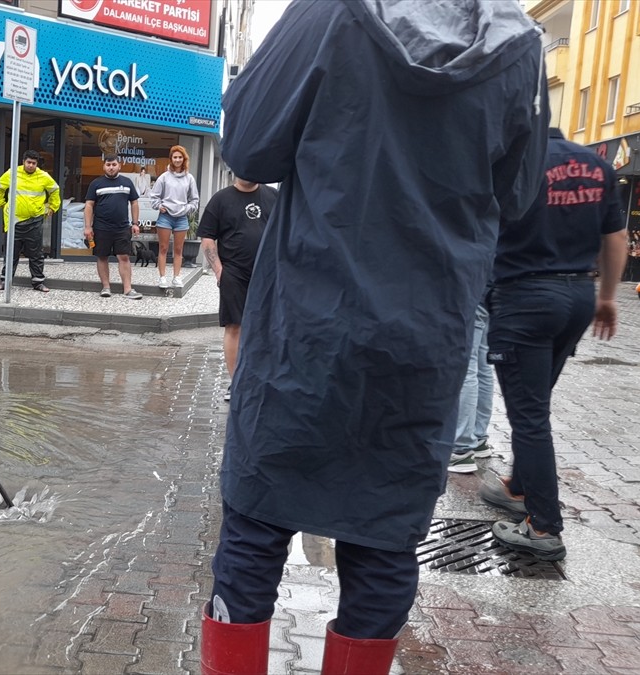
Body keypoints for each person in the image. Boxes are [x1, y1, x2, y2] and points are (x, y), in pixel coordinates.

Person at [202, 2, 549, 674]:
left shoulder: (331, 10)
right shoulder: (519, 42)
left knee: (256, 519)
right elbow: (516, 193)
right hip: (424, 337)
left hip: (305, 326)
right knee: (384, 541)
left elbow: (247, 142)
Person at [482, 127, 626, 562]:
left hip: (524, 296)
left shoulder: (512, 165)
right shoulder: (598, 166)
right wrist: (607, 298)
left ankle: (543, 525)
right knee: (536, 400)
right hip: (579, 294)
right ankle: (518, 487)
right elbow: (616, 237)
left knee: (529, 416)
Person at [196, 177, 278, 402]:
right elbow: (208, 238)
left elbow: (284, 231)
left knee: (268, 327)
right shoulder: (221, 200)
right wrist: (219, 270)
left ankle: (263, 379)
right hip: (234, 274)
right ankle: (237, 383)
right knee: (235, 327)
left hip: (268, 275)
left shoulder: (273, 196)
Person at [0, 149, 61, 292]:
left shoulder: (43, 176)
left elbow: (55, 190)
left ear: (37, 164)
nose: (31, 165)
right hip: (14, 221)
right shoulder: (13, 173)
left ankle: (38, 282)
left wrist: (53, 207)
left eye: (34, 163)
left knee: (36, 253)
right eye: (28, 162)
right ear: (23, 162)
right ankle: (5, 282)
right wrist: (1, 203)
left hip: (34, 220)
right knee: (11, 253)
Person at [83, 154, 143, 300]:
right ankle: (106, 287)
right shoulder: (96, 184)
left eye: (114, 165)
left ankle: (128, 289)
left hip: (122, 227)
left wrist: (135, 223)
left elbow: (134, 203)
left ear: (119, 166)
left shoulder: (127, 182)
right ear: (104, 166)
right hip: (101, 227)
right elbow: (89, 205)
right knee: (102, 256)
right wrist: (87, 227)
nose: (111, 167)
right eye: (108, 165)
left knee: (124, 257)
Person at [447, 300, 496, 474]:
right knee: (482, 364)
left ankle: (461, 448)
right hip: (490, 285)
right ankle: (478, 437)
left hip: (472, 289)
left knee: (466, 364)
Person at [146, 145, 199, 290]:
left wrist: (187, 209)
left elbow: (195, 200)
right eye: (175, 157)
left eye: (180, 157)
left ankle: (177, 277)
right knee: (163, 248)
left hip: (181, 217)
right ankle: (162, 278)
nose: (177, 160)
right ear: (171, 159)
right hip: (165, 216)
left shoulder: (189, 178)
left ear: (184, 159)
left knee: (178, 249)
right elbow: (154, 196)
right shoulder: (164, 177)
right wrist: (159, 206)